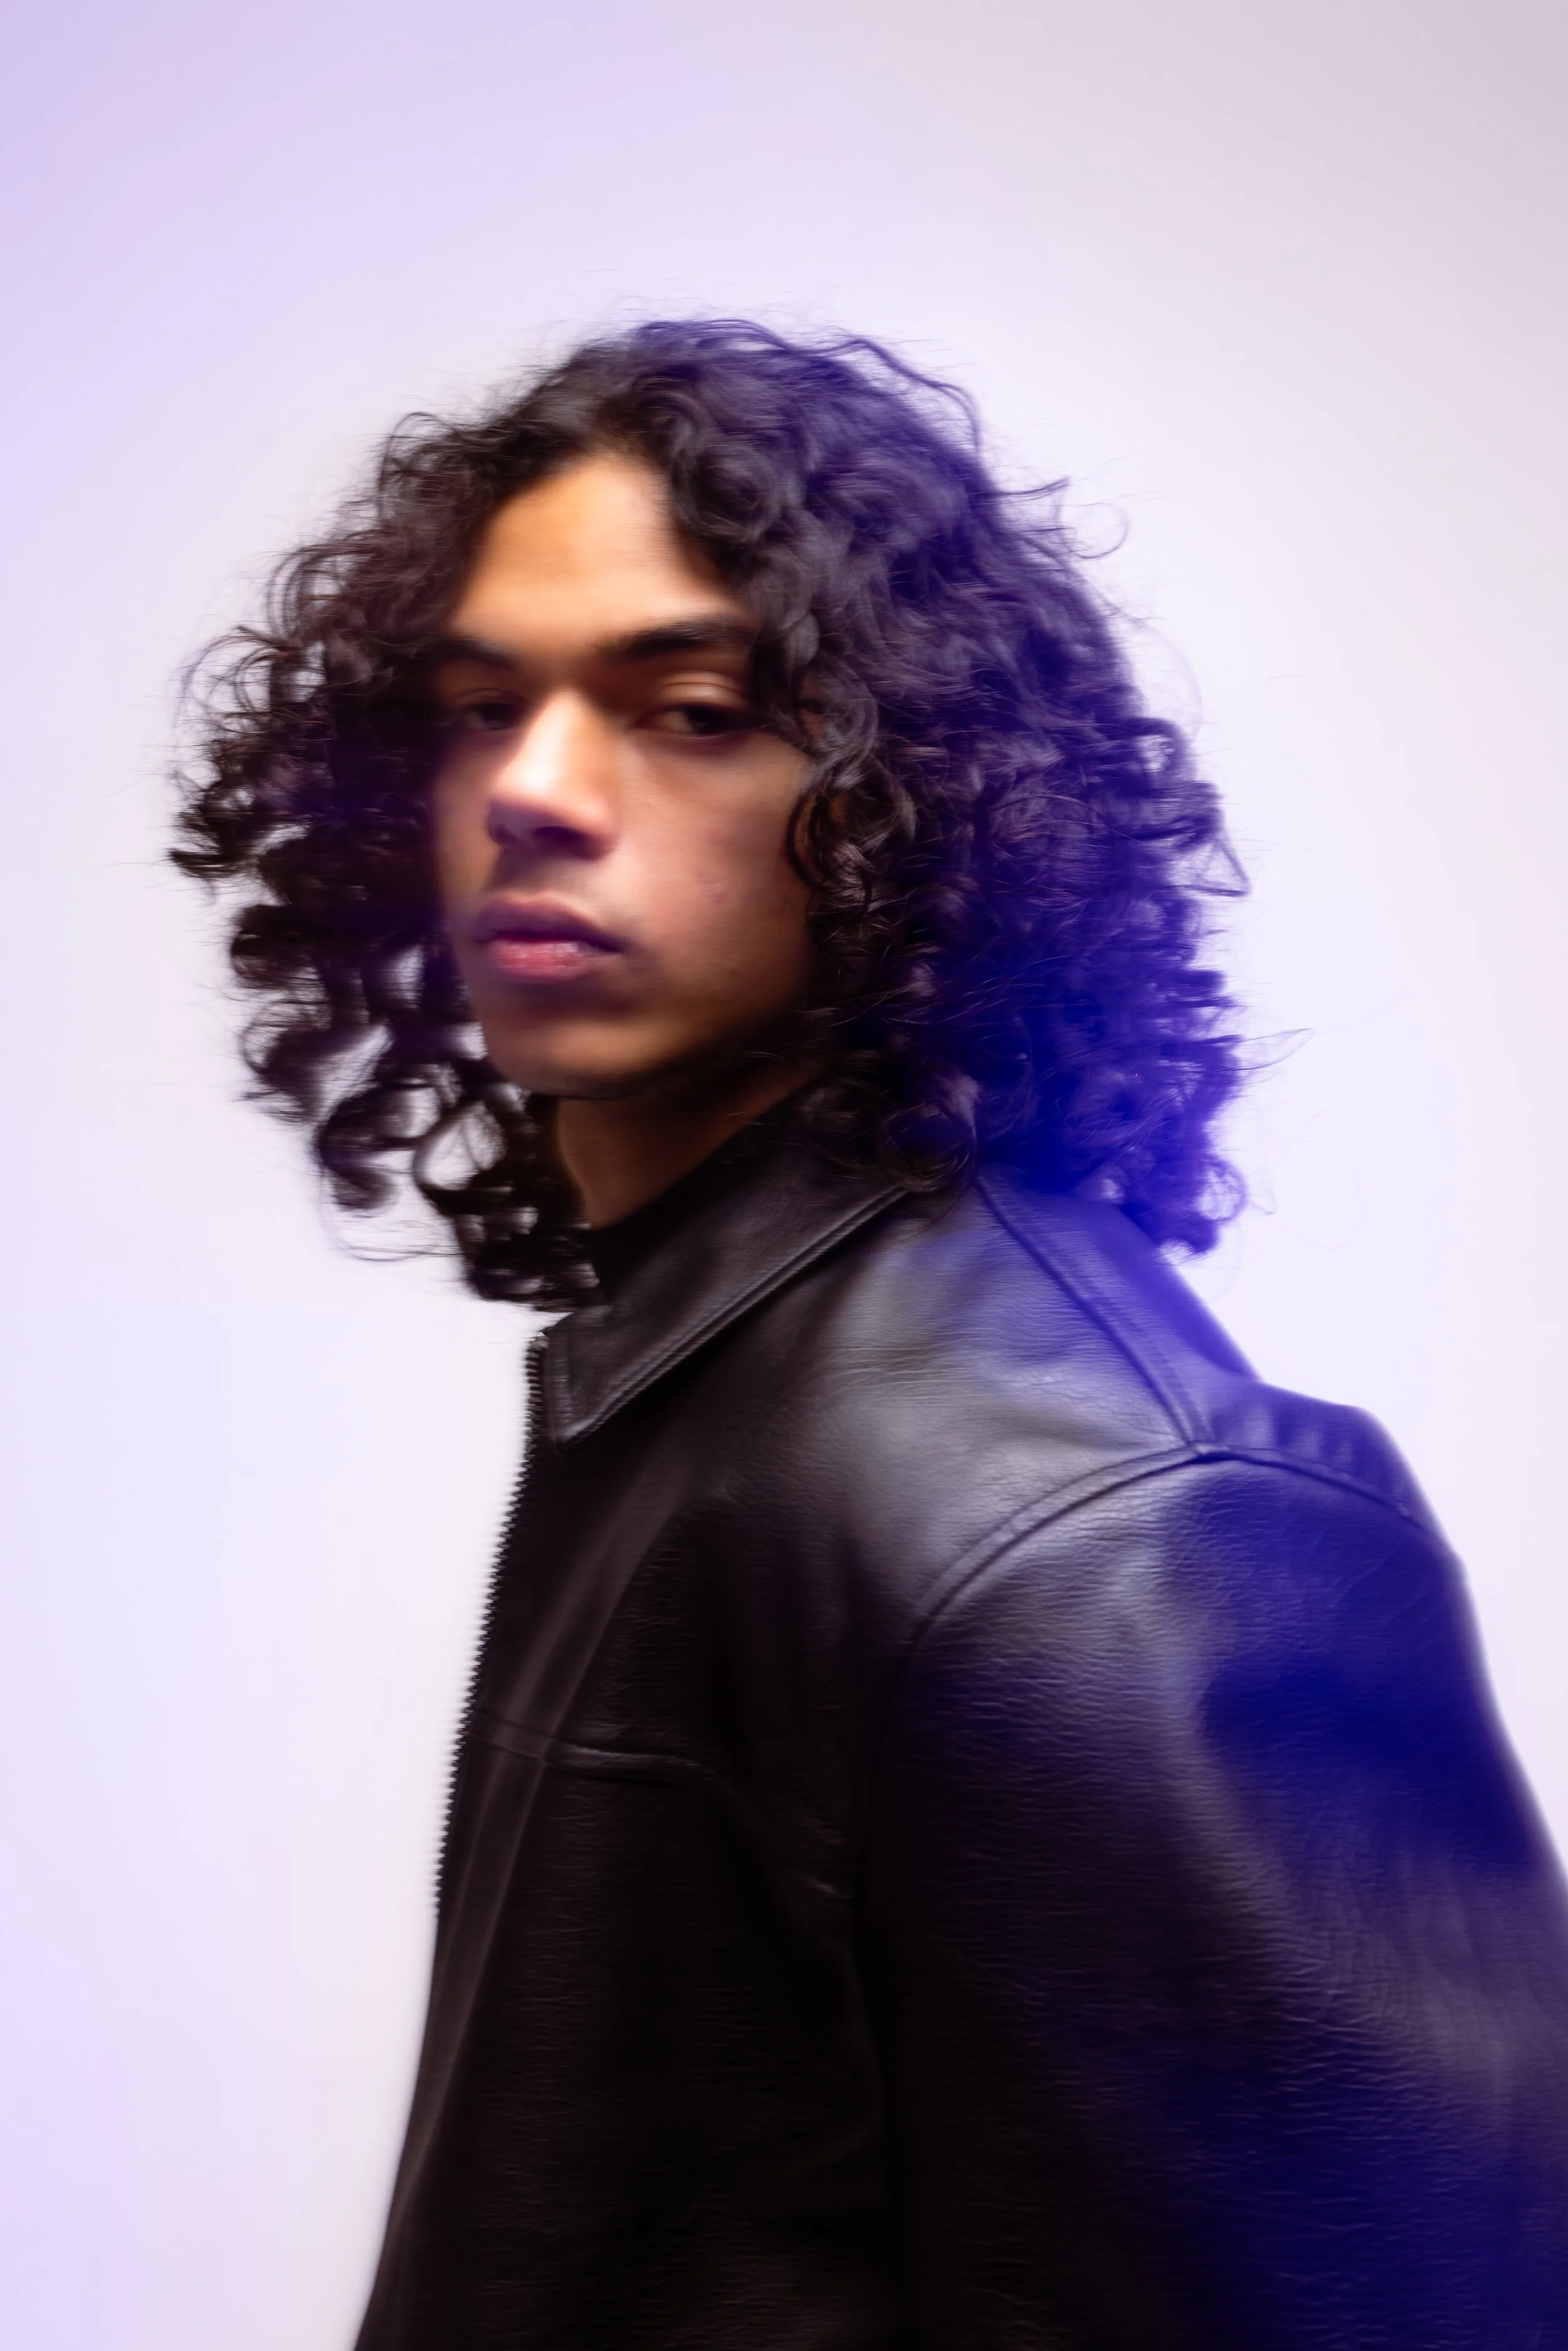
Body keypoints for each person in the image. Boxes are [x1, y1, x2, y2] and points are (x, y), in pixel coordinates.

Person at [174, 320, 1568, 2348]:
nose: (533, 790)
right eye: (479, 708)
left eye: (691, 711)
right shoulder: (701, 1386)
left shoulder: (1110, 1533)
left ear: (918, 796)